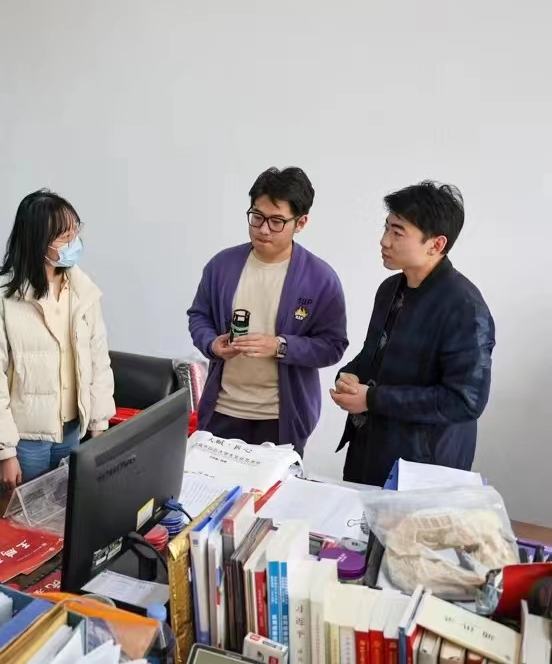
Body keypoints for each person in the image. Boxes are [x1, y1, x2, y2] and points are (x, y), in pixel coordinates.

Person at [331, 181, 495, 486]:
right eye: (386, 228)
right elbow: (374, 354)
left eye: (397, 232)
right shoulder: (390, 289)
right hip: (370, 447)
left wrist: (373, 399)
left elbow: (465, 400)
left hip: (424, 464)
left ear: (436, 244)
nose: (384, 241)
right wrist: (349, 375)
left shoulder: (465, 308)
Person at [188, 167, 348, 454]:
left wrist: (281, 346)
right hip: (222, 410)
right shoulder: (221, 266)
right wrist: (211, 344)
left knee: (276, 484)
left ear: (300, 223)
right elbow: (199, 315)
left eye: (276, 221)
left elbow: (333, 346)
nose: (263, 229)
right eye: (257, 217)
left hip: (281, 418)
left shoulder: (320, 278)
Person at [0, 189, 115, 490]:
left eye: (75, 233)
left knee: (66, 510)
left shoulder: (83, 291)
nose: (74, 242)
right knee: (22, 515)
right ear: (37, 242)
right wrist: (4, 452)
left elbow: (98, 361)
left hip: (72, 431)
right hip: (25, 440)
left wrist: (99, 423)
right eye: (64, 237)